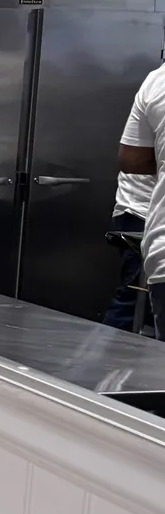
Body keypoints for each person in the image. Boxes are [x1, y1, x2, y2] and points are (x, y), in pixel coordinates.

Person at [105, 63, 163, 329]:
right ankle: (109, 366)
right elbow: (131, 159)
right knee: (131, 302)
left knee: (136, 303)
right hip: (141, 211)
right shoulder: (157, 81)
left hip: (149, 217)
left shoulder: (156, 79)